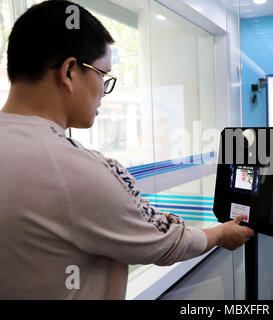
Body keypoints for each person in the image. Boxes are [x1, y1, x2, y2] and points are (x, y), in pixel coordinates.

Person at [0, 0, 254, 300]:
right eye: (103, 75)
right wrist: (221, 233)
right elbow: (164, 242)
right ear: (69, 71)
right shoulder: (79, 169)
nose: (103, 91)